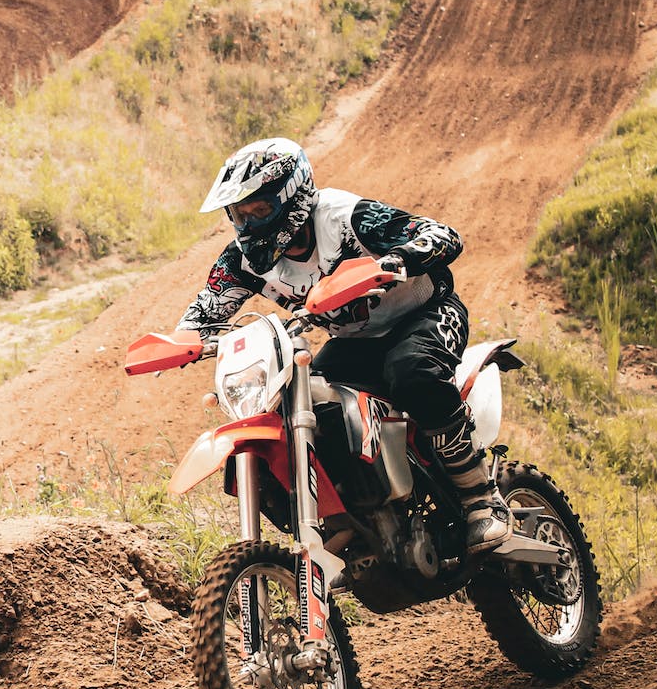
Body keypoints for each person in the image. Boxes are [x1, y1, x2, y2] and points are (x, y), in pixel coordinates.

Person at [176, 138, 512, 552]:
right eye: (239, 215)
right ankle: (349, 518)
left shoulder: (344, 217)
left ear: (292, 197)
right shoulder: (243, 260)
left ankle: (480, 498)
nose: (249, 224)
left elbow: (443, 236)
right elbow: (204, 311)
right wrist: (181, 342)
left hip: (425, 314)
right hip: (356, 342)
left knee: (412, 373)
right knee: (303, 402)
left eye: (259, 210)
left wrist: (393, 261)